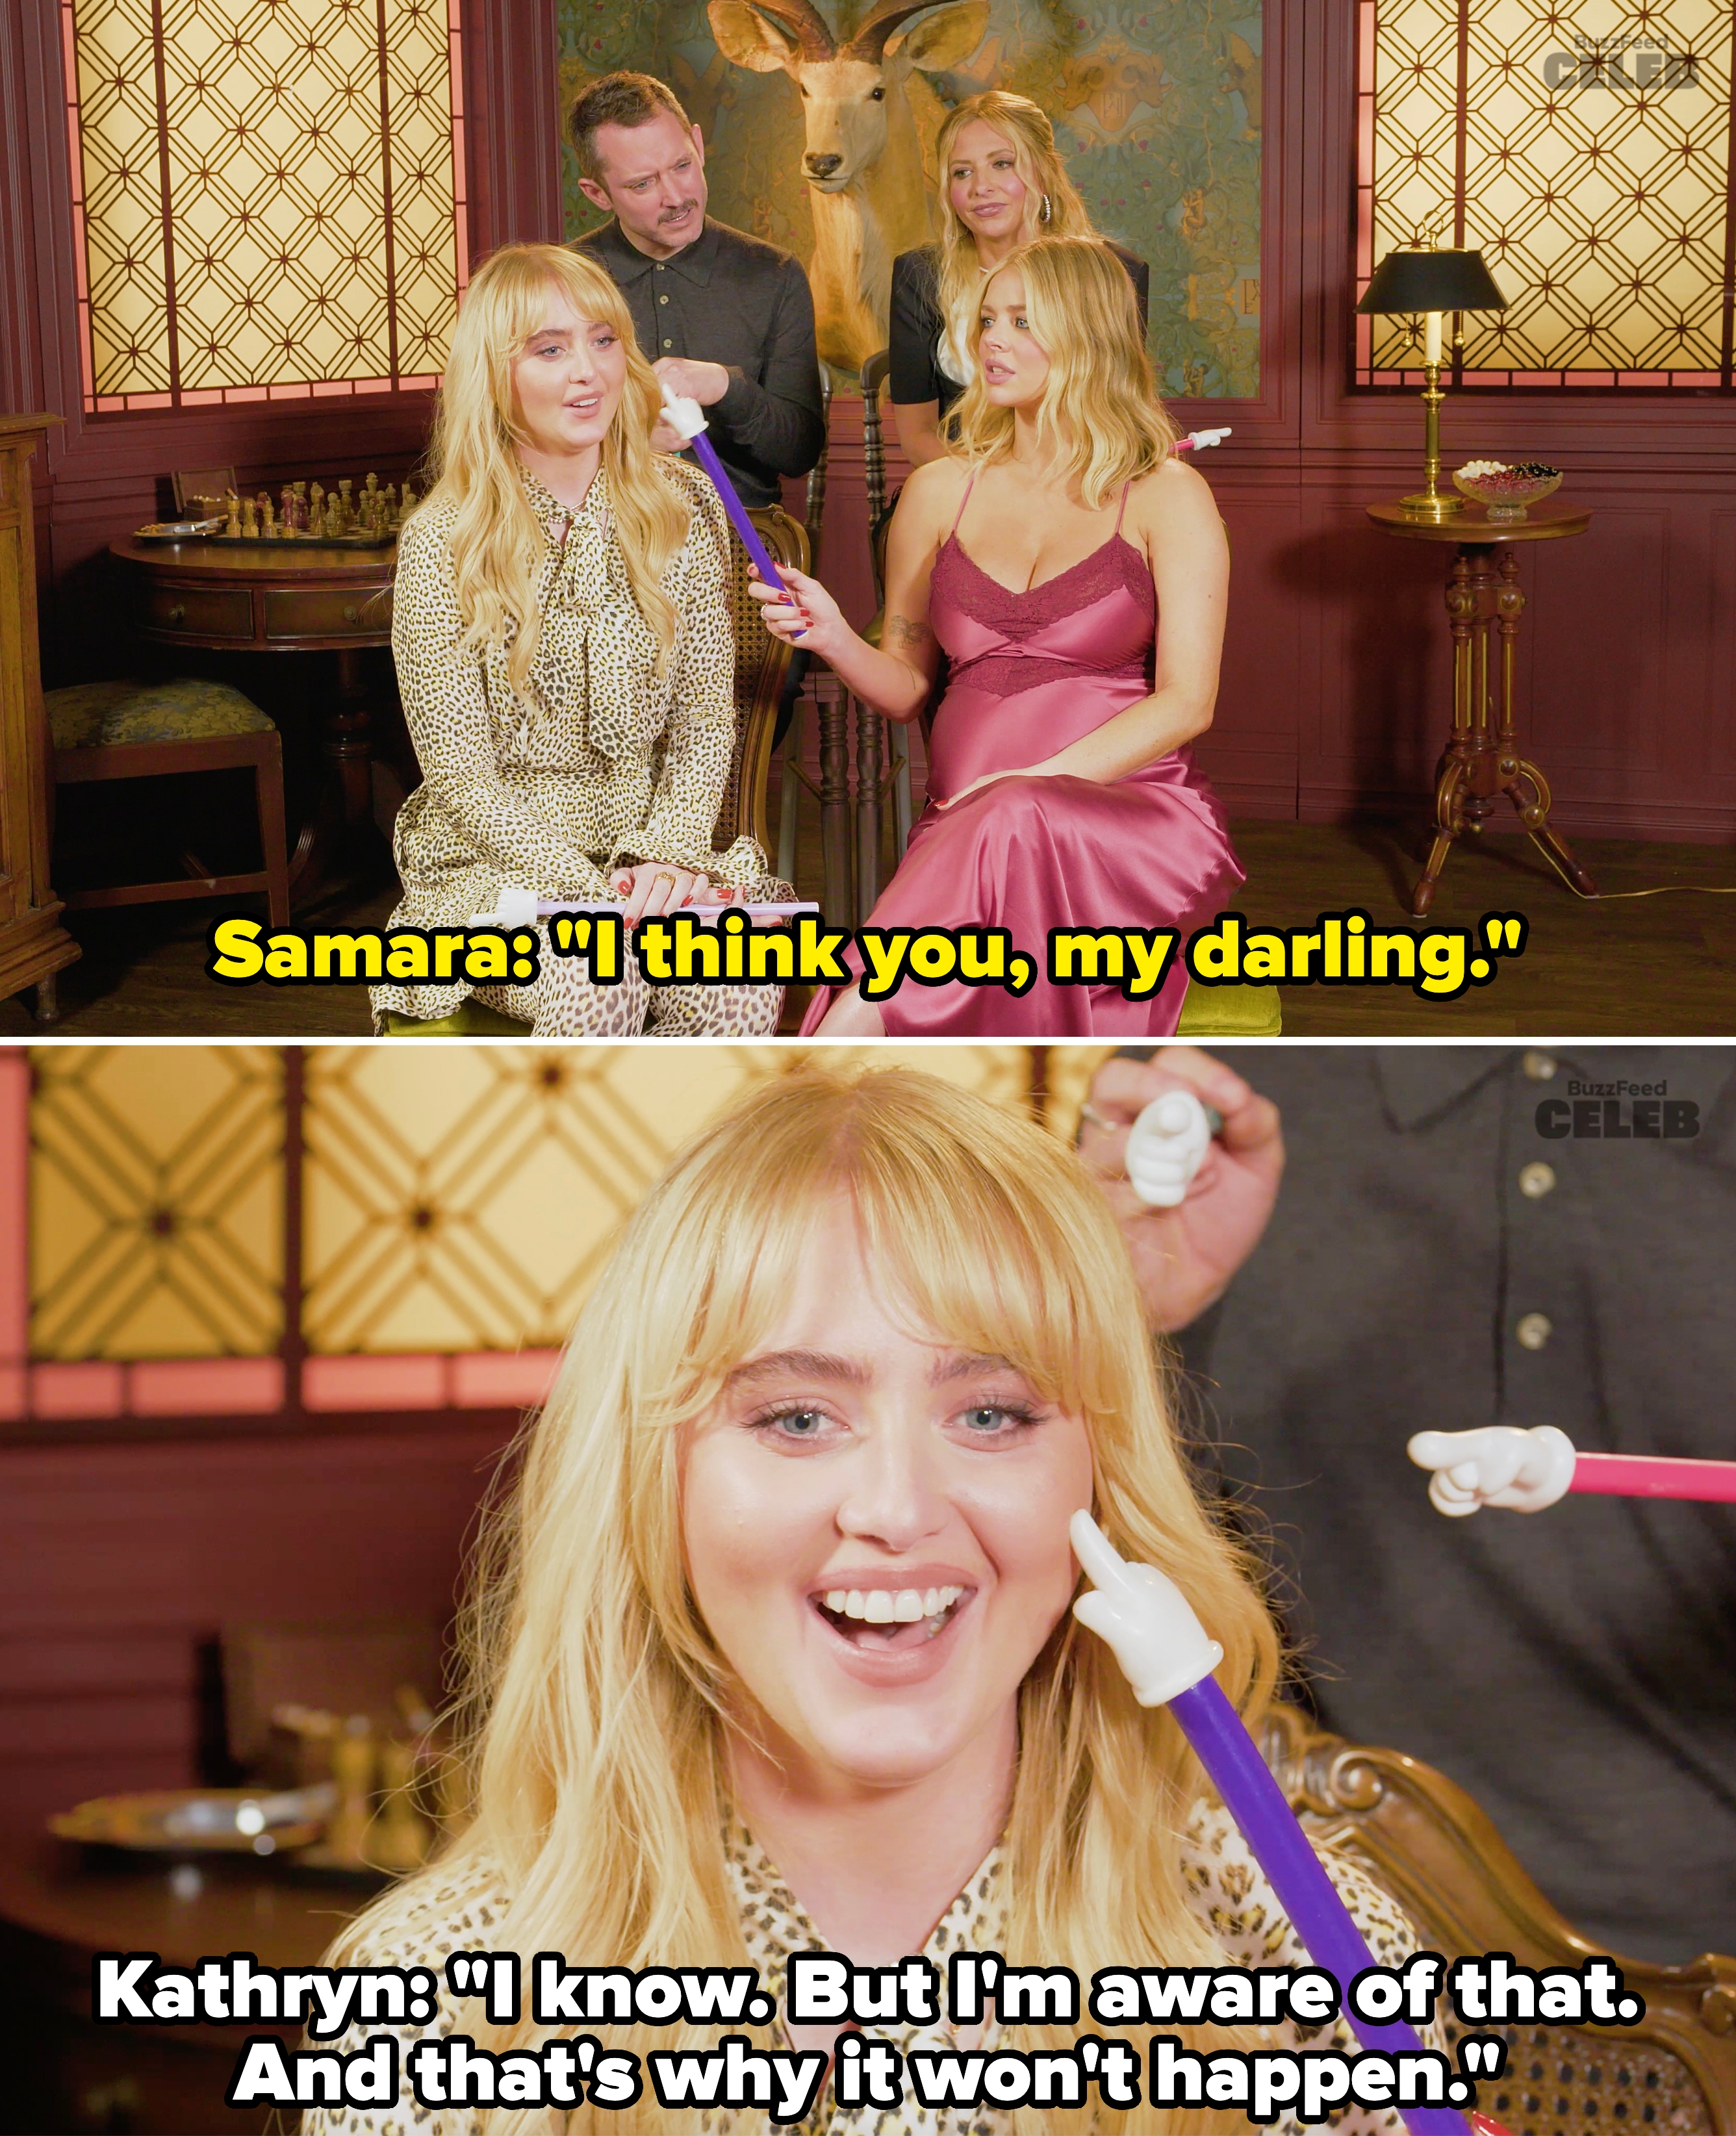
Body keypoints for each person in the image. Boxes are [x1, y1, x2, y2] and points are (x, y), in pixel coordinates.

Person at [305, 1067, 1435, 2136]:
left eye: (990, 1414)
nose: (897, 1508)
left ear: (1103, 1476)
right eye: (797, 1418)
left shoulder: (1303, 1967)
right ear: (654, 1482)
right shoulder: (441, 2005)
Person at [1077, 1042, 1736, 1965]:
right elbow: (1091, 1571)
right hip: (1284, 1935)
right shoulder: (1217, 1078)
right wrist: (1106, 1316)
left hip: (1700, 1971)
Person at [753, 236, 1241, 1037]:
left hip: (1128, 828)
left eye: (1021, 320)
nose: (991, 342)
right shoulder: (938, 490)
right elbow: (907, 687)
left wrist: (1023, 785)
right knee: (1001, 833)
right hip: (967, 835)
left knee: (1013, 817)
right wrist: (834, 637)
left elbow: (1187, 703)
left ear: (1087, 334)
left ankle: (842, 1036)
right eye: (986, 320)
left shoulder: (1165, 494)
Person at [372, 242, 786, 1037]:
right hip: (501, 867)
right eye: (550, 350)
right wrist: (595, 897)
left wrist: (665, 859)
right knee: (603, 967)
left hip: (653, 855)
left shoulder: (684, 505)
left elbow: (704, 723)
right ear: (496, 374)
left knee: (737, 980)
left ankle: (679, 1125)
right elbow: (460, 778)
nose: (588, 372)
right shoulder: (441, 542)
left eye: (602, 341)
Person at [568, 71, 826, 509]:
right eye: (643, 184)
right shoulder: (563, 282)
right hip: (600, 531)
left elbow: (799, 453)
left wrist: (726, 387)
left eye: (682, 166)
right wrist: (627, 441)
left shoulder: (773, 273)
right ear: (598, 194)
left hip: (740, 532)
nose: (675, 197)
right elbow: (510, 437)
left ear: (699, 146)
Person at [889, 91, 1150, 468]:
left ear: (1043, 171)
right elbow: (918, 438)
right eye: (962, 172)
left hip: (1079, 486)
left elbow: (1122, 417)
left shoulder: (1114, 272)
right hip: (960, 484)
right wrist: (999, 491)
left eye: (1002, 164)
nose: (981, 187)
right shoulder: (920, 276)